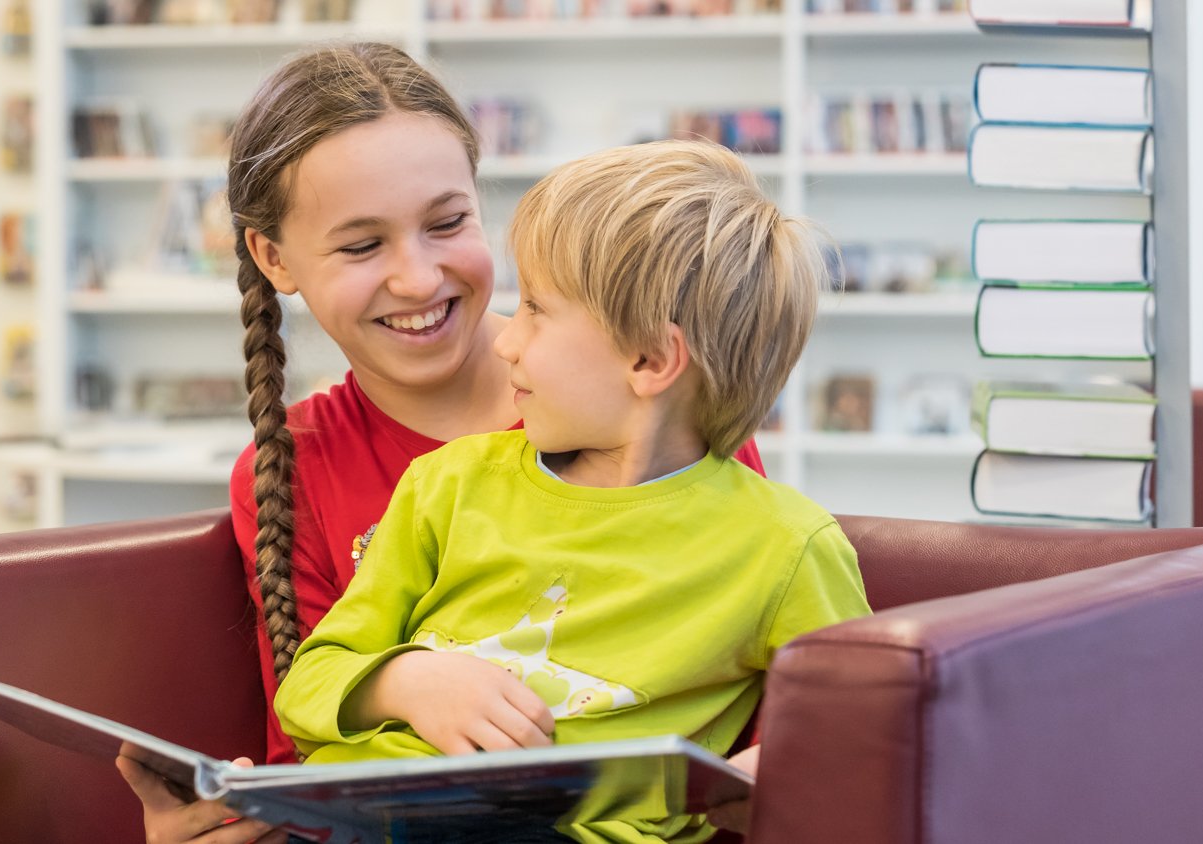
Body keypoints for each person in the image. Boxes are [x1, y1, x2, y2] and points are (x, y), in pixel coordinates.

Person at [117, 42, 766, 843]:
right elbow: (316, 742)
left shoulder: (646, 404)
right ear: (273, 257)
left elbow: (782, 706)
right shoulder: (295, 469)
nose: (419, 279)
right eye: (361, 245)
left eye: (448, 222)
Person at [272, 140, 872, 843]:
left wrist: (791, 764)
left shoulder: (787, 547)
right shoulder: (448, 485)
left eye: (534, 310)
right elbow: (306, 690)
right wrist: (405, 681)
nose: (504, 342)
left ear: (650, 359)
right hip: (372, 818)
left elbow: (865, 730)